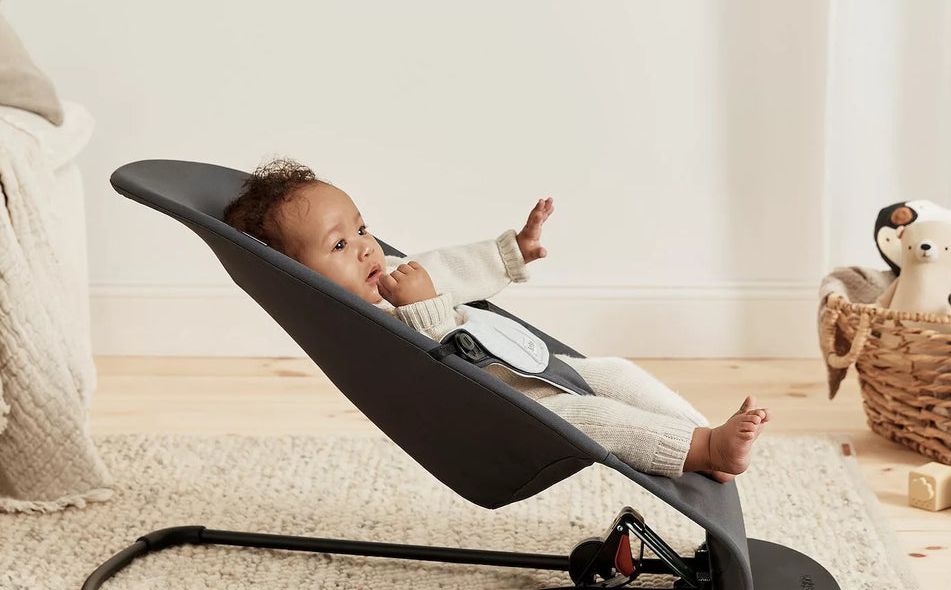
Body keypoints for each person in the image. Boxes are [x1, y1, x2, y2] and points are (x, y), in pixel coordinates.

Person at [223, 157, 770, 481]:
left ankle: (703, 437)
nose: (366, 247)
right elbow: (432, 366)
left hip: (531, 368)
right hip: (503, 411)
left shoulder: (390, 276)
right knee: (594, 420)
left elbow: (451, 268)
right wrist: (421, 307)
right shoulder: (356, 324)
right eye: (340, 244)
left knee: (616, 373)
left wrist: (512, 252)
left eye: (362, 229)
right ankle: (705, 450)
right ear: (296, 273)